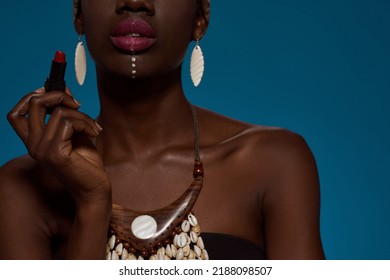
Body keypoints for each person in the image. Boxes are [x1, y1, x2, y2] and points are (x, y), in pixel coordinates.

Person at [0, 0, 325, 260]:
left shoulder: (272, 162)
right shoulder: (23, 188)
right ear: (79, 14)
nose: (135, 3)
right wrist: (91, 202)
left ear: (199, 19)